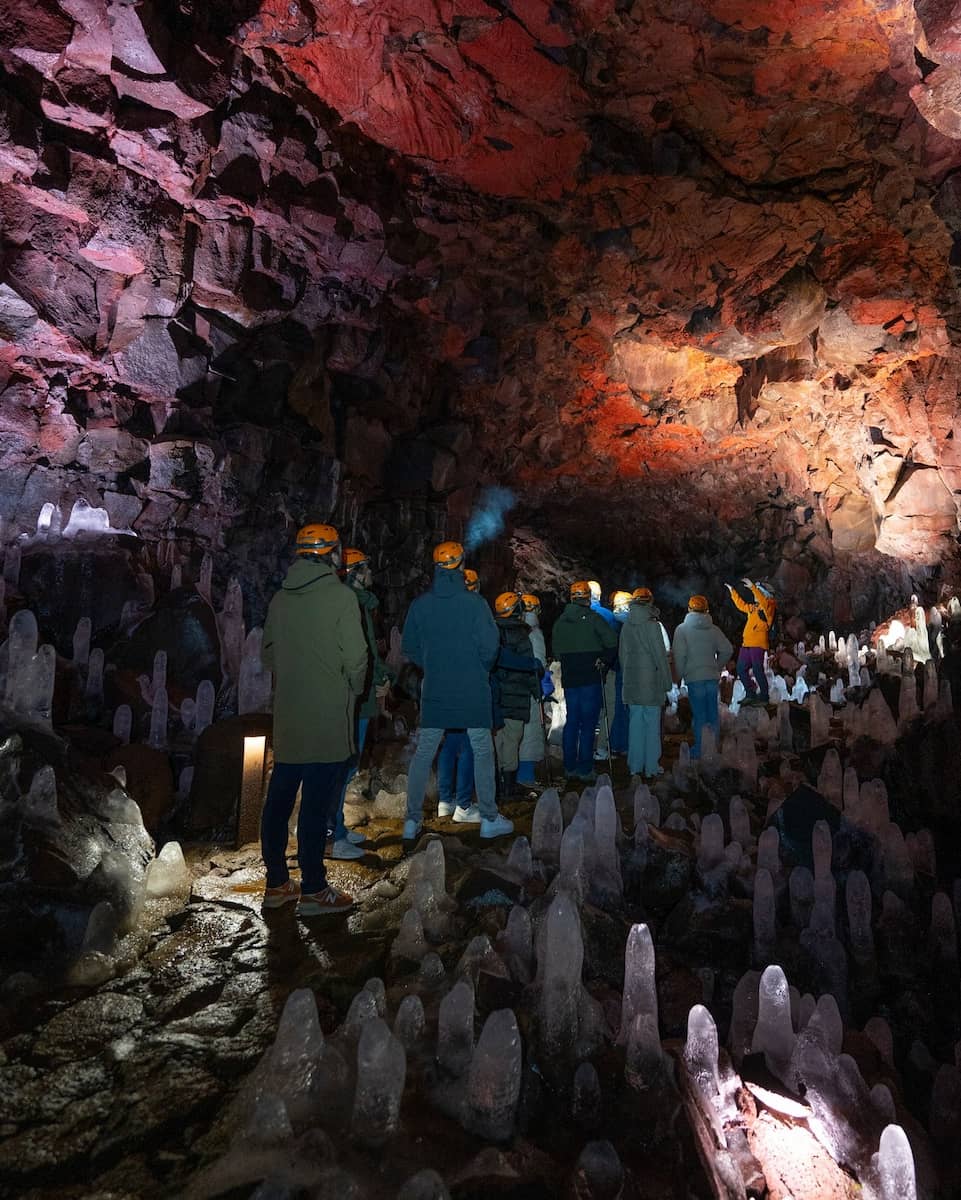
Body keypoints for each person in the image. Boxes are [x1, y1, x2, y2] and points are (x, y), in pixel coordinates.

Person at [260, 523, 368, 916]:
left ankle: (276, 883)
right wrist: (351, 688)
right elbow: (357, 658)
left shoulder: (280, 599)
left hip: (289, 715)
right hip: (326, 716)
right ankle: (314, 889)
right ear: (330, 554)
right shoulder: (341, 597)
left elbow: (267, 655)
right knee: (315, 804)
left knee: (279, 799)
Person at [401, 541, 513, 841]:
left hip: (436, 688)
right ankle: (488, 817)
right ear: (461, 565)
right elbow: (491, 647)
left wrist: (431, 664)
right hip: (472, 689)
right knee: (481, 748)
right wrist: (479, 668)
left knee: (424, 753)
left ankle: (411, 821)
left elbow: (408, 645)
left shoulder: (421, 605)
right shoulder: (475, 604)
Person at [327, 547, 391, 861]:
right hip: (352, 694)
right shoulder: (349, 602)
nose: (372, 573)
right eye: (367, 567)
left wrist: (380, 674)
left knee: (350, 762)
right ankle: (332, 834)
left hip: (361, 694)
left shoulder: (361, 604)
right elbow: (358, 652)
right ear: (355, 572)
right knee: (341, 764)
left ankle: (337, 826)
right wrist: (377, 676)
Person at [552, 580, 618, 781]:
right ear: (587, 597)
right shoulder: (593, 619)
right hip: (591, 676)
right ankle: (585, 768)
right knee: (588, 723)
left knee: (572, 721)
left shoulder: (560, 622)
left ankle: (569, 767)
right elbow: (611, 642)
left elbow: (556, 652)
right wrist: (604, 661)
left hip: (571, 677)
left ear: (572, 597)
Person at [492, 592, 542, 800]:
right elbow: (529, 668)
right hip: (517, 697)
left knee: (497, 742)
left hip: (496, 696)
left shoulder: (491, 632)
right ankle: (509, 788)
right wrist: (537, 690)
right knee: (512, 742)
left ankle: (496, 785)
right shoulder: (522, 636)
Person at [619, 588, 673, 779]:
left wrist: (627, 679)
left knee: (635, 725)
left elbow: (623, 656)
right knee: (651, 725)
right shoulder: (653, 626)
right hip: (651, 682)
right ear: (649, 602)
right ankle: (651, 766)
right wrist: (667, 683)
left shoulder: (627, 625)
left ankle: (634, 766)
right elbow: (660, 656)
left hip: (633, 682)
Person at [672, 594, 733, 758]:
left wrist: (681, 674)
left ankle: (700, 750)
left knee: (699, 715)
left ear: (689, 609)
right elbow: (727, 649)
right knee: (712, 714)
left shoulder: (682, 630)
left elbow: (679, 655)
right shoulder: (714, 630)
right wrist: (717, 666)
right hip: (711, 678)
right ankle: (713, 748)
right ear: (707, 610)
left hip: (694, 678)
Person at [726, 578, 776, 704]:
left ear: (764, 594)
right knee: (741, 668)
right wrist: (733, 591)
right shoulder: (754, 608)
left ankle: (764, 696)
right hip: (747, 644)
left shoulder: (769, 606)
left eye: (758, 592)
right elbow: (742, 605)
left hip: (758, 644)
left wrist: (754, 588)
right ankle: (750, 693)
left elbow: (764, 603)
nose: (754, 595)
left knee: (758, 669)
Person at [517, 593, 549, 787]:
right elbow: (538, 664)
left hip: (514, 687)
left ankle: (512, 774)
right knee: (530, 730)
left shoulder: (515, 629)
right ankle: (525, 775)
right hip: (530, 687)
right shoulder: (534, 633)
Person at [590, 581, 619, 763]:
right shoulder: (608, 616)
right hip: (606, 669)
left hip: (582, 671)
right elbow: (613, 644)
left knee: (587, 709)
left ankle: (583, 748)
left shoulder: (570, 618)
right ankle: (601, 748)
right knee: (608, 709)